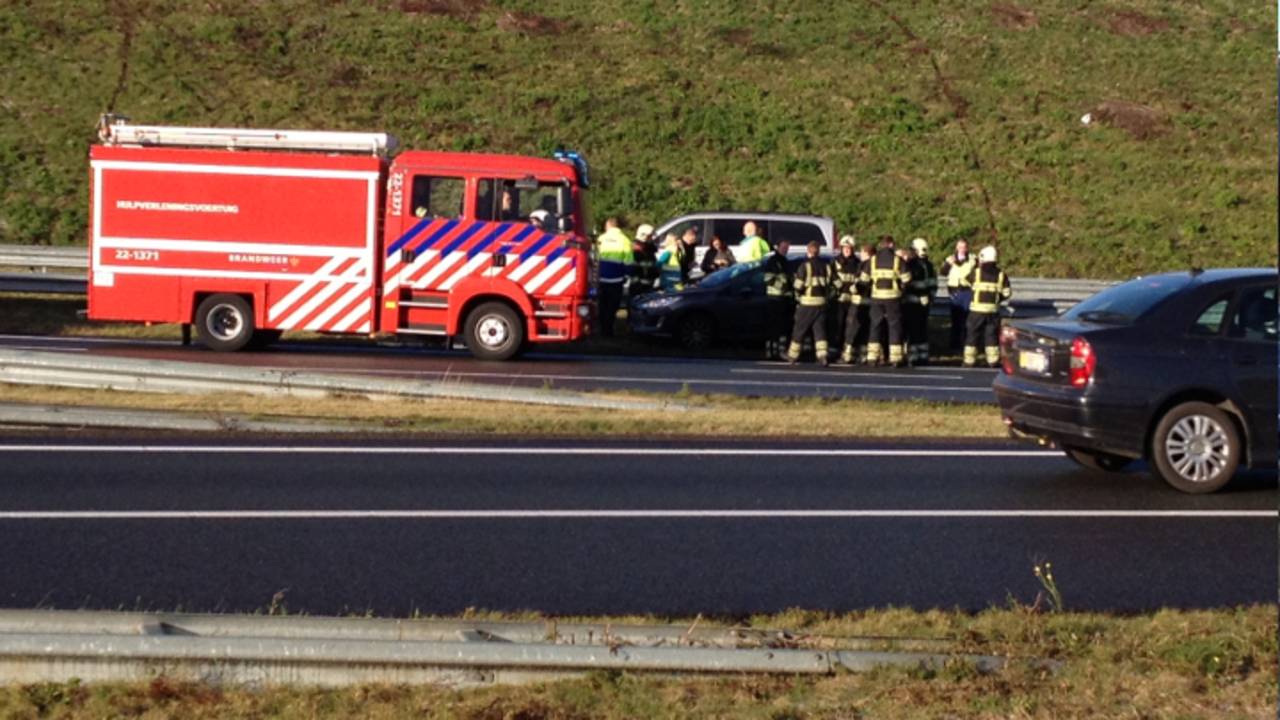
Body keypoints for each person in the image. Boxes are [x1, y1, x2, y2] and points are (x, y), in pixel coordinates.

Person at [861, 235, 912, 367]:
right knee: (894, 326)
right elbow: (907, 279)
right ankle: (895, 358)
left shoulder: (872, 260)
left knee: (875, 325)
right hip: (893, 299)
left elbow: (864, 280)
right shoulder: (897, 260)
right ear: (891, 245)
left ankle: (872, 357)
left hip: (876, 298)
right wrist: (902, 291)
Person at [786, 240, 835, 366]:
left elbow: (798, 286)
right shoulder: (826, 266)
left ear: (808, 251)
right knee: (820, 331)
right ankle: (823, 355)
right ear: (818, 251)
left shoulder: (805, 266)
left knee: (799, 330)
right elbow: (835, 284)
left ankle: (792, 355)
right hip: (822, 304)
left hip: (807, 304)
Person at [964, 245, 1012, 368]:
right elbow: (1007, 293)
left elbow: (965, 282)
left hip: (976, 311)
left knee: (972, 335)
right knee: (991, 336)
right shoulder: (1001, 275)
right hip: (993, 311)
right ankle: (993, 360)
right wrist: (996, 299)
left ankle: (969, 361)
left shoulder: (977, 272)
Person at [902, 238, 938, 365]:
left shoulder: (921, 265)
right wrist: (927, 296)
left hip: (918, 303)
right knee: (916, 330)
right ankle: (916, 356)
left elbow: (932, 283)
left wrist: (931, 297)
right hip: (914, 302)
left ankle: (920, 355)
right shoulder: (922, 265)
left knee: (919, 330)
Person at [595, 217, 633, 337]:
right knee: (613, 305)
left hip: (601, 277)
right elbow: (628, 261)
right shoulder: (625, 240)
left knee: (602, 304)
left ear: (609, 226)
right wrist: (628, 274)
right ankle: (609, 329)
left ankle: (602, 328)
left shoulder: (601, 238)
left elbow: (595, 257)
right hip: (616, 279)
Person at [940, 240, 976, 353]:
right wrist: (948, 263)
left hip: (967, 292)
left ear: (967, 247)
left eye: (964, 247)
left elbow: (978, 272)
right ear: (956, 247)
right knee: (955, 320)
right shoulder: (950, 258)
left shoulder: (973, 259)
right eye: (960, 247)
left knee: (967, 320)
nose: (962, 249)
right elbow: (943, 272)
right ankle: (954, 345)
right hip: (954, 292)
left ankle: (966, 344)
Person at [762, 238, 793, 359]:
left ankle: (779, 351)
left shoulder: (785, 261)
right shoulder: (773, 261)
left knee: (782, 327)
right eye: (783, 247)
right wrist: (783, 285)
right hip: (774, 299)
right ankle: (771, 351)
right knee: (773, 326)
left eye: (787, 248)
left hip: (784, 300)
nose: (785, 250)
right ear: (777, 247)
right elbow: (768, 279)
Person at [831, 236, 860, 364]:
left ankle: (848, 353)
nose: (847, 250)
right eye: (845, 248)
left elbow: (859, 279)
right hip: (838, 301)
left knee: (851, 327)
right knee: (838, 326)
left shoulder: (857, 263)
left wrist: (855, 287)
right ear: (841, 248)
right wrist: (839, 286)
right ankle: (834, 352)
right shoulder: (835, 262)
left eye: (849, 248)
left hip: (853, 301)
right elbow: (831, 277)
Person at [628, 223, 658, 298]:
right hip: (638, 286)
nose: (652, 238)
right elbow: (637, 268)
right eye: (650, 236)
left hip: (648, 284)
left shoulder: (649, 248)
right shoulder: (636, 249)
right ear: (643, 236)